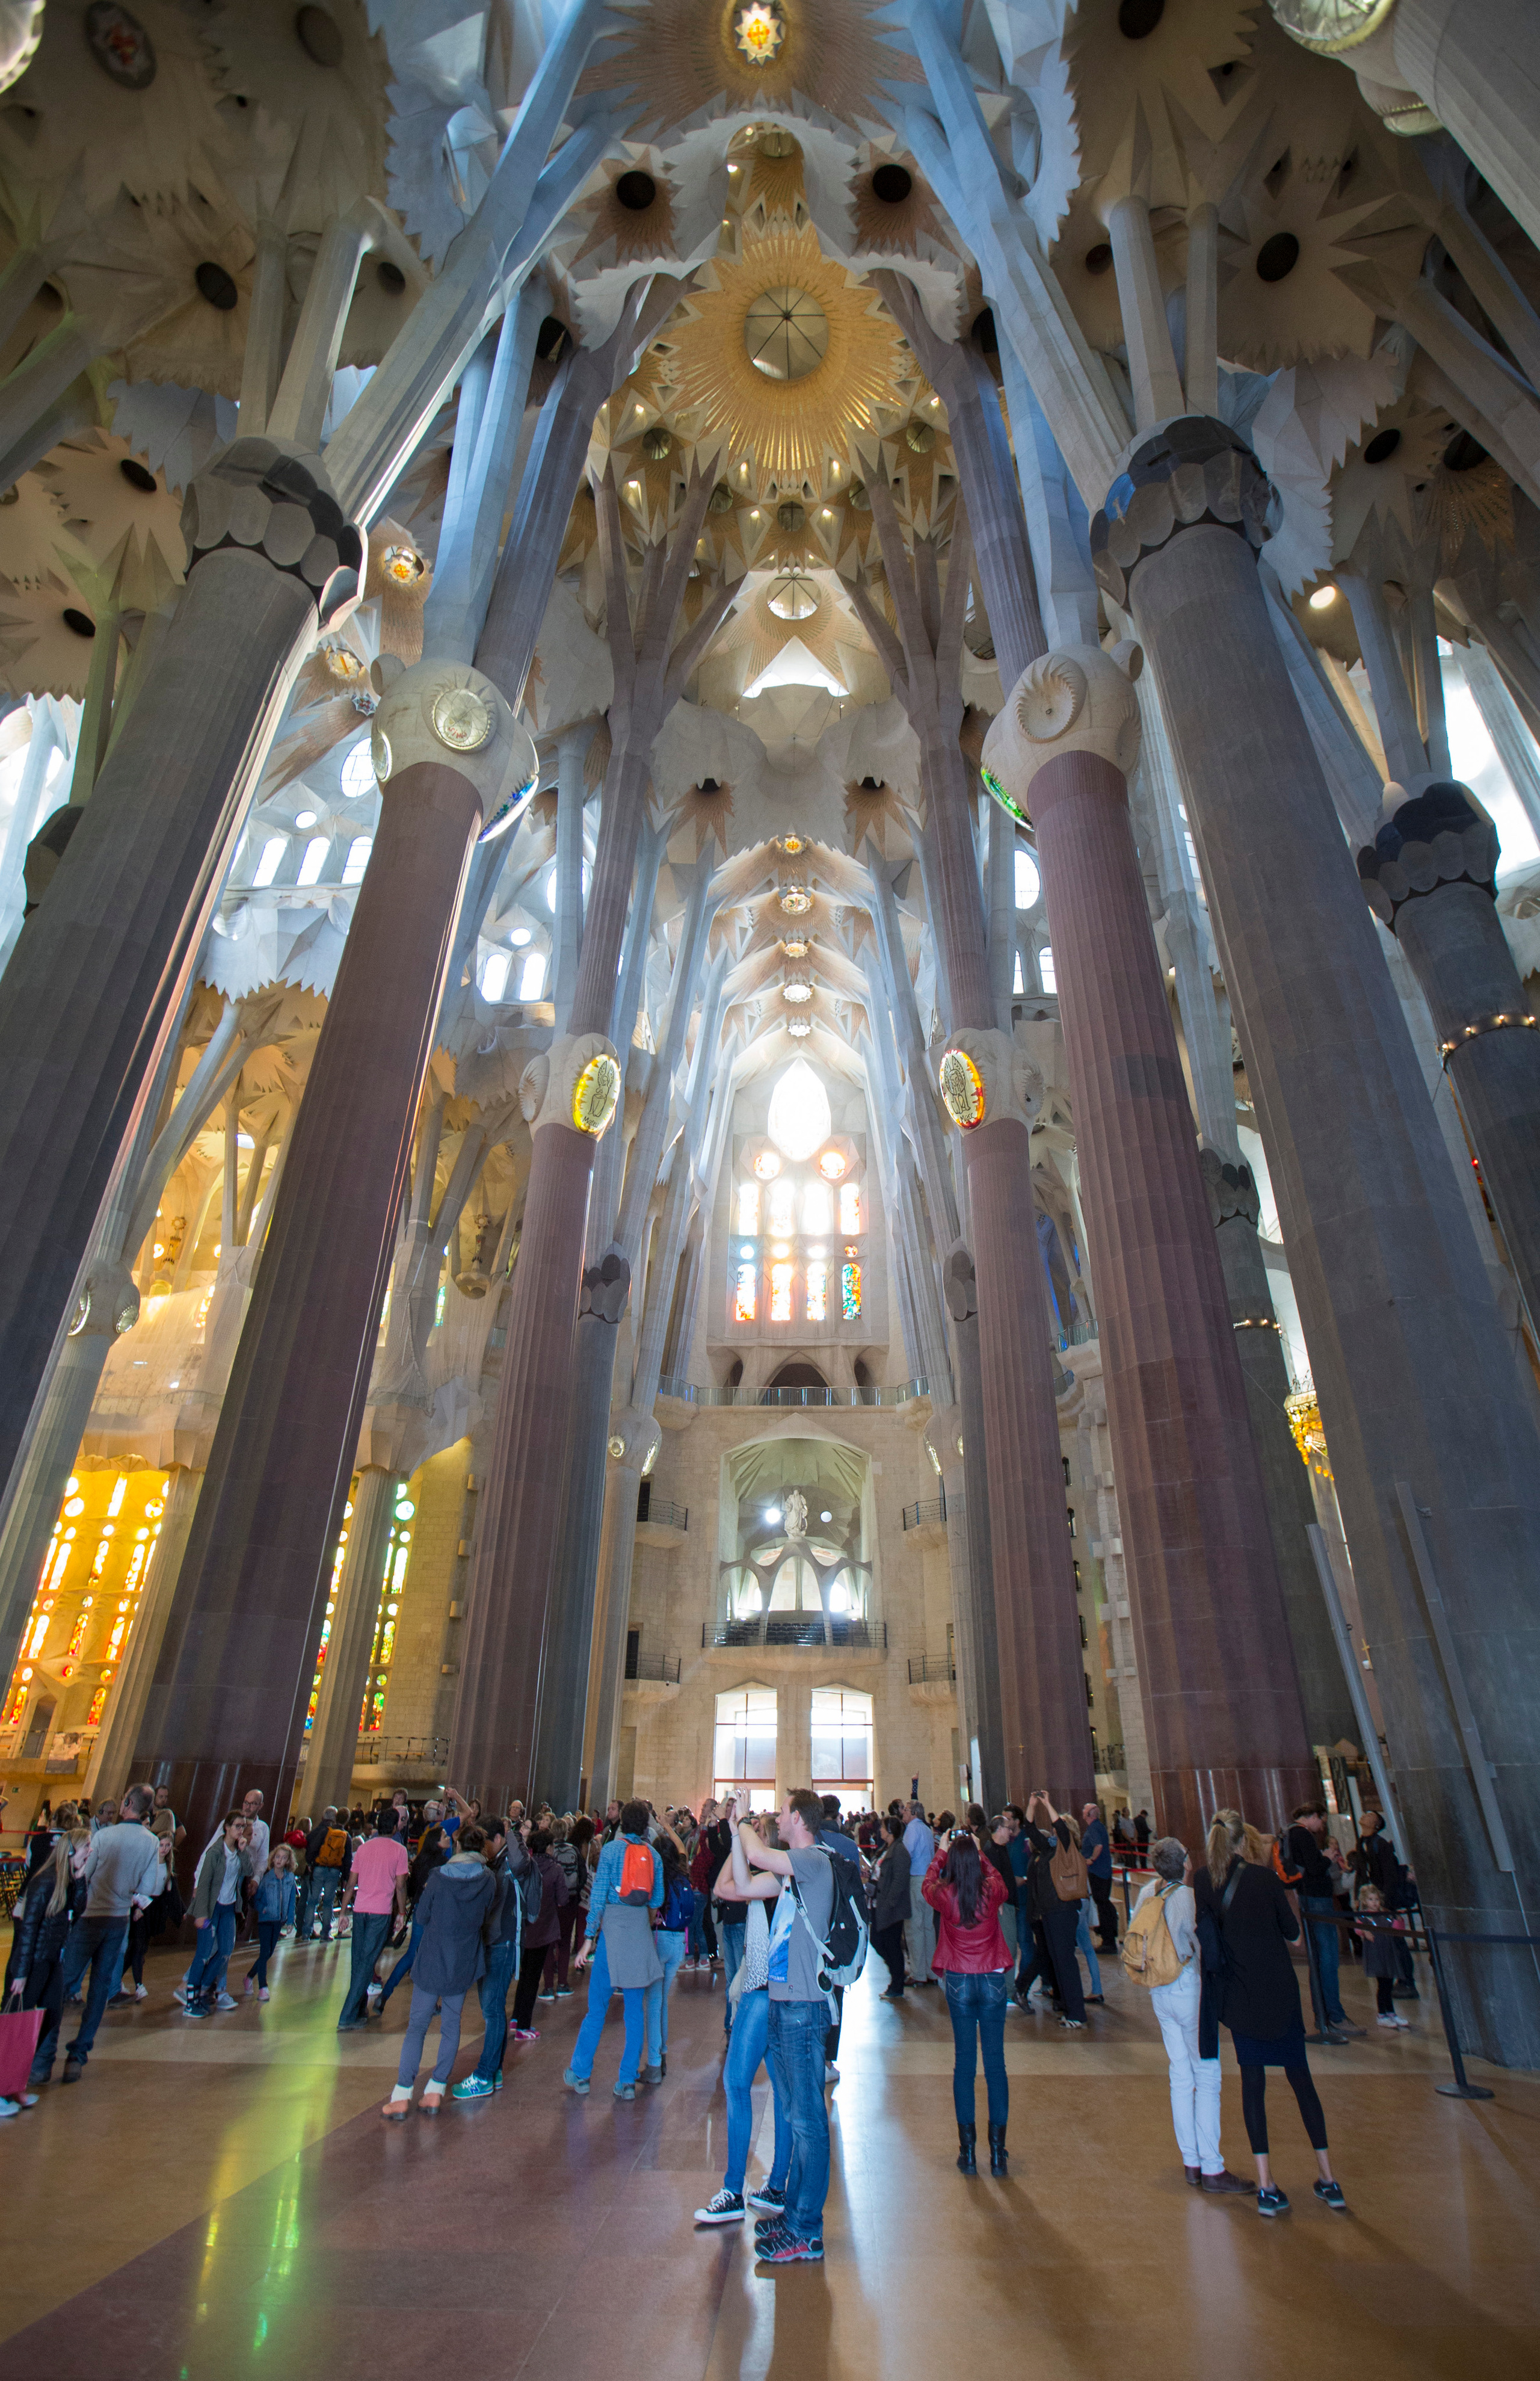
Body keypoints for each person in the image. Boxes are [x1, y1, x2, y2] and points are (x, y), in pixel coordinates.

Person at [1195, 1809, 1347, 2216]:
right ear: (1244, 1842)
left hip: (1239, 1994)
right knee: (1302, 2082)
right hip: (1278, 1991)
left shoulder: (1203, 1880)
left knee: (1253, 2086)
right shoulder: (1265, 1879)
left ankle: (1265, 2185)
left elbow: (1207, 1932)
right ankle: (1328, 2179)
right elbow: (1294, 1936)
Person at [739, 1788, 834, 2264]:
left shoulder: (814, 1860)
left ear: (798, 1818)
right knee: (796, 2116)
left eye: (781, 1811)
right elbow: (743, 1879)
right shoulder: (792, 1873)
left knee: (808, 2120)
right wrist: (736, 1832)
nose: (776, 1816)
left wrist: (742, 1819)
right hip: (783, 2001)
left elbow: (758, 1855)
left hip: (803, 2005)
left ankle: (807, 2229)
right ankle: (795, 2214)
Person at [1129, 1837, 1249, 2193]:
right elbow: (1199, 1944)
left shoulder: (1147, 1892)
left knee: (1180, 2075)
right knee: (1207, 2073)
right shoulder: (1187, 1898)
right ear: (1184, 1862)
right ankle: (1213, 2166)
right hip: (1188, 1988)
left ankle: (1191, 2162)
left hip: (1159, 1992)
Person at [694, 1808, 793, 2228]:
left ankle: (734, 2190)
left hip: (762, 1991)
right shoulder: (777, 1879)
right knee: (783, 2092)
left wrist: (740, 1832)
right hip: (778, 1992)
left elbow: (726, 1886)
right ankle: (776, 2186)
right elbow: (723, 1887)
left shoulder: (773, 1880)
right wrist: (737, 1839)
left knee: (736, 2082)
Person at [381, 1823, 497, 2117]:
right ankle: (435, 2091)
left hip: (433, 1955)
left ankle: (402, 2095)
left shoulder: (439, 1876)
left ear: (458, 1846)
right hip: (464, 1958)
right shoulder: (488, 1879)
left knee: (417, 2026)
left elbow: (421, 1916)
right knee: (451, 2025)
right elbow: (486, 1914)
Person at [923, 1819, 1013, 2174]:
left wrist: (942, 1852)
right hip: (992, 1979)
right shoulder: (992, 1891)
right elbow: (999, 1879)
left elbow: (927, 1884)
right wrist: (980, 1852)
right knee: (995, 2065)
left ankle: (968, 2151)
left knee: (964, 2065)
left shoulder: (945, 1896)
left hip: (959, 1980)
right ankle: (998, 2152)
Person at [55, 1782, 162, 2074]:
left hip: (90, 1916)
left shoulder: (103, 1836)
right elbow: (149, 1887)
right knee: (100, 1987)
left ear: (128, 1803)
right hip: (119, 1919)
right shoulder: (151, 1842)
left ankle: (43, 2052)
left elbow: (83, 1876)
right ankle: (78, 2055)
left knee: (64, 1981)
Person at [565, 1799, 663, 2101]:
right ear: (646, 1826)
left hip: (612, 1933)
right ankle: (627, 2080)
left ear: (622, 1822)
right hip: (639, 1931)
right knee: (635, 2011)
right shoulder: (654, 1856)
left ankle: (581, 2073)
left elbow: (597, 1899)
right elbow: (657, 1899)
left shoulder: (610, 1851)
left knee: (597, 2008)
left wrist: (588, 1938)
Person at [452, 1813, 532, 2098]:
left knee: (492, 2010)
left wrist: (511, 1830)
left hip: (503, 1943)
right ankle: (494, 2069)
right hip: (493, 1941)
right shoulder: (494, 1863)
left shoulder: (510, 1862)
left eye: (485, 1839)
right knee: (493, 2009)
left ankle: (484, 2075)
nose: (480, 1845)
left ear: (498, 1839)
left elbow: (522, 1865)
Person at [8, 1826, 87, 2097]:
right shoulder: (45, 1882)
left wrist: (81, 1879)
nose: (91, 1852)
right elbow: (27, 1929)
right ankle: (5, 2087)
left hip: (53, 1959)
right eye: (87, 1847)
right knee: (17, 2024)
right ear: (72, 1850)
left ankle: (15, 2081)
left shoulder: (68, 1881)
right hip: (35, 1962)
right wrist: (21, 1973)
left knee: (52, 2014)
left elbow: (78, 1911)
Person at [1284, 1803, 1364, 2037]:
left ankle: (1323, 2015)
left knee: (1319, 1958)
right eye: (1322, 1820)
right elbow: (1315, 1867)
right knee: (1328, 1958)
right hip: (1317, 1899)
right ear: (1313, 1816)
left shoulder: (1289, 1833)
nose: (1322, 1827)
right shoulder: (1303, 1835)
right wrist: (1327, 1858)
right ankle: (1334, 2016)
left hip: (1307, 1898)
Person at [1017, 1791, 1087, 2028]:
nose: (1055, 1829)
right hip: (1048, 1911)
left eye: (1059, 1826)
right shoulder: (1049, 1849)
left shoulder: (1069, 1847)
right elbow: (1030, 1829)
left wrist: (1047, 1804)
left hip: (1063, 1910)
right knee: (1057, 1962)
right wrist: (1032, 1805)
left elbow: (1062, 1829)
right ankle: (1067, 2009)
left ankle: (1077, 2014)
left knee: (1066, 1962)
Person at [336, 1805, 407, 2030]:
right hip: (381, 1912)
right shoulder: (400, 1851)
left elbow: (351, 1884)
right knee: (368, 1962)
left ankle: (359, 2010)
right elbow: (400, 1886)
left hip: (361, 1910)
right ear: (395, 1827)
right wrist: (402, 1912)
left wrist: (344, 1912)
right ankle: (347, 2015)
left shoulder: (364, 1848)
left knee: (358, 1961)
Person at [183, 1814, 254, 2017]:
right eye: (237, 1826)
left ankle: (204, 1988)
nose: (241, 1830)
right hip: (212, 1908)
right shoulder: (214, 1853)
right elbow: (204, 1883)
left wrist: (244, 1851)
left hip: (228, 1908)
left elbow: (248, 1871)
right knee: (204, 1954)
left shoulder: (238, 1852)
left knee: (225, 1951)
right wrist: (201, 1914)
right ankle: (191, 2001)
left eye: (243, 1826)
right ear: (227, 1828)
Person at [378, 1821, 448, 2014]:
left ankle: (385, 1994)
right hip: (436, 1913)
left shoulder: (419, 1861)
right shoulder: (443, 1863)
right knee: (434, 1958)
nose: (448, 1838)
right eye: (445, 1836)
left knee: (411, 1955)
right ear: (437, 1843)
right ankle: (430, 2003)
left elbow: (411, 1888)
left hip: (419, 1910)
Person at [643, 1818, 693, 2080]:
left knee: (654, 2002)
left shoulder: (656, 1877)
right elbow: (682, 1849)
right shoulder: (683, 1871)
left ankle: (654, 2062)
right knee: (662, 2001)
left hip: (659, 1939)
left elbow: (652, 1912)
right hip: (679, 1942)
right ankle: (661, 2053)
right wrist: (668, 1828)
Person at [510, 1826, 569, 2040]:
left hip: (523, 1929)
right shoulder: (555, 1870)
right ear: (550, 1848)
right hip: (543, 1930)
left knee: (524, 1975)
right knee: (533, 1979)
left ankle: (516, 2018)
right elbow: (563, 1899)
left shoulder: (525, 1867)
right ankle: (523, 2027)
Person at [1352, 1811, 1417, 1998]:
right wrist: (1359, 1897)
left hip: (1383, 1903)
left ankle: (1407, 1982)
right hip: (1373, 1902)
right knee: (1386, 1942)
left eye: (1370, 1815)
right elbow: (1362, 1872)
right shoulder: (1362, 1843)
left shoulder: (1380, 1844)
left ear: (1376, 1824)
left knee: (1396, 1942)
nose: (1365, 1816)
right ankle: (1394, 1980)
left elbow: (1390, 1876)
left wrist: (1386, 1904)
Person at [239, 1843, 298, 2001]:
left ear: (288, 1861)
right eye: (277, 1857)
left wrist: (290, 1920)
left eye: (283, 1858)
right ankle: (263, 1987)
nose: (279, 1860)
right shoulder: (267, 1879)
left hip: (279, 1921)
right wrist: (263, 1909)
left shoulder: (290, 1879)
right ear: (273, 1859)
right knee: (265, 1953)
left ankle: (249, 1977)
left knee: (269, 1953)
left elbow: (292, 1901)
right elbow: (255, 1900)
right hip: (266, 1920)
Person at [1354, 1885, 1412, 2028]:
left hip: (1388, 1953)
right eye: (1371, 1899)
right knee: (1383, 1985)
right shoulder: (1364, 1916)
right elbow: (1358, 1929)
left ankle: (1391, 2013)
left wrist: (1398, 1919)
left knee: (1389, 1984)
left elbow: (1397, 1929)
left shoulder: (1385, 1915)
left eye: (1376, 1899)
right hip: (1376, 1954)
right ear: (1365, 1901)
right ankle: (1382, 2014)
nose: (1374, 1902)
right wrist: (1364, 1932)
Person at [870, 1812, 911, 2000]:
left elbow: (899, 1881)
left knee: (891, 1945)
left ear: (889, 1831)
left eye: (882, 1827)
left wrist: (889, 1903)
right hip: (880, 1904)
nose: (880, 1830)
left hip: (891, 1908)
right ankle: (897, 1973)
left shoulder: (899, 1851)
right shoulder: (886, 1849)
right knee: (877, 1941)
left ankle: (897, 1984)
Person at [298, 1806, 351, 1942]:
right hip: (334, 1871)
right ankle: (325, 1933)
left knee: (312, 1902)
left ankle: (306, 1932)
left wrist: (310, 1863)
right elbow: (347, 1860)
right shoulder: (347, 1836)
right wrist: (346, 1878)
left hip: (319, 1868)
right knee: (328, 1903)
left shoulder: (326, 1831)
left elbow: (314, 1848)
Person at [544, 1817, 583, 1998]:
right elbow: (582, 1874)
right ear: (567, 1832)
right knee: (565, 1942)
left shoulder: (550, 1850)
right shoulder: (574, 1850)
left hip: (552, 1901)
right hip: (570, 1900)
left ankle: (548, 1986)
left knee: (549, 1943)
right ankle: (562, 1983)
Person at [902, 1799, 937, 1986]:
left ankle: (918, 1973)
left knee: (914, 1928)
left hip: (916, 1880)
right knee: (928, 1928)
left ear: (914, 1813)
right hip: (929, 1881)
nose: (904, 1813)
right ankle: (932, 1972)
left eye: (907, 1810)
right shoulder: (927, 1829)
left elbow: (906, 1855)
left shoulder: (912, 1829)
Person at [1080, 1801, 1118, 1951]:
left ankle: (1108, 1941)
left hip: (1098, 1871)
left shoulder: (1094, 1828)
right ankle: (1110, 1932)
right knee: (1103, 1903)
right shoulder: (1099, 1827)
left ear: (1090, 1814)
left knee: (1102, 1903)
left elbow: (1099, 1845)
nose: (1083, 1812)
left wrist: (1092, 1859)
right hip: (1102, 1871)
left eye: (1085, 1810)